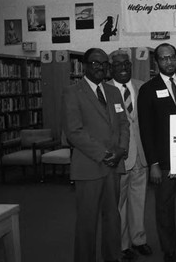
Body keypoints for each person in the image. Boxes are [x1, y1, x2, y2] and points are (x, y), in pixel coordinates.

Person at [62, 48, 130, 262]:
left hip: (113, 165)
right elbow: (74, 132)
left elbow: (123, 124)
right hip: (89, 166)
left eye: (104, 64)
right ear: (84, 65)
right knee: (87, 221)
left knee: (113, 218)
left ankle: (113, 257)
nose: (101, 67)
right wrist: (103, 154)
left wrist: (121, 149)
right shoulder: (73, 92)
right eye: (95, 63)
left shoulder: (113, 92)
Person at [137, 43, 176, 262]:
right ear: (157, 62)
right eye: (163, 58)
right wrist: (152, 163)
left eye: (172, 57)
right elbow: (146, 129)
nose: (168, 62)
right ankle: (168, 247)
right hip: (163, 160)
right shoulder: (148, 89)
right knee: (163, 206)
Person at [108, 50, 152, 261]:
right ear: (111, 67)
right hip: (119, 158)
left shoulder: (142, 86)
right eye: (118, 64)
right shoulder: (104, 90)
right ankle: (123, 244)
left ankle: (139, 239)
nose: (123, 67)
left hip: (141, 155)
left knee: (138, 200)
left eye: (126, 63)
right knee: (119, 204)